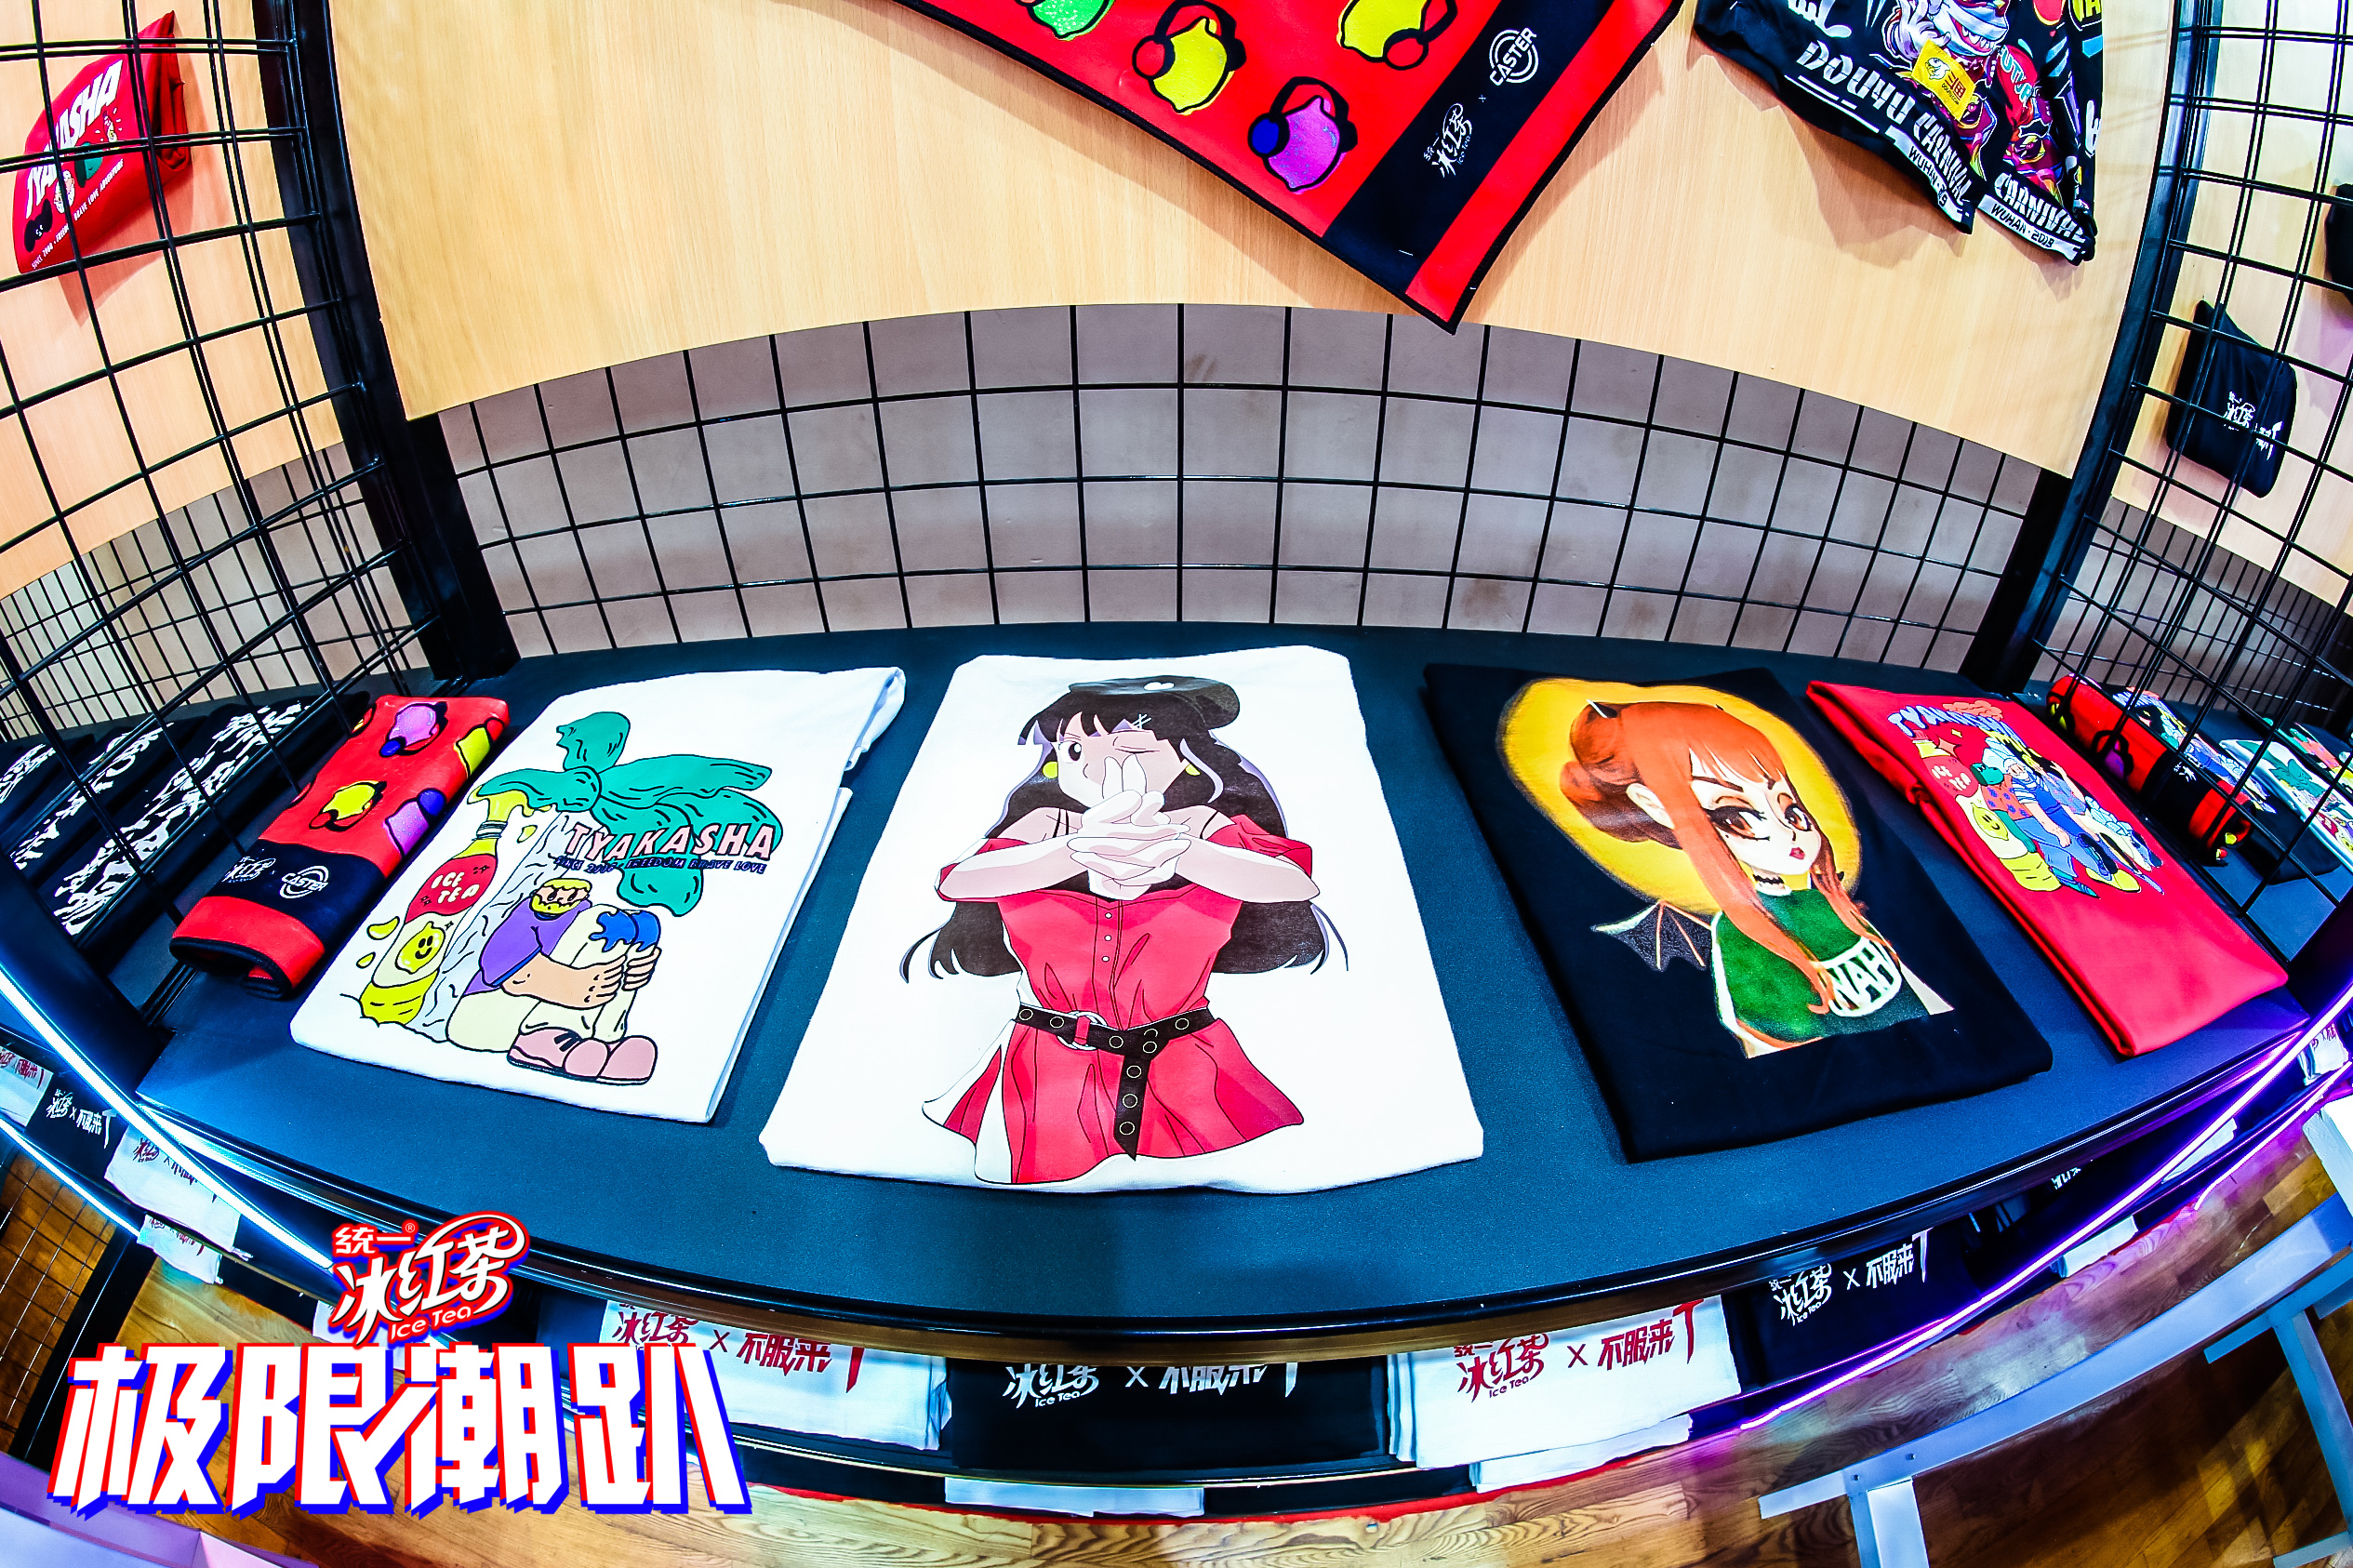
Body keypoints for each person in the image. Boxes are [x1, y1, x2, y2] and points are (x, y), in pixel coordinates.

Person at [911, 675, 1329, 1184]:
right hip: (1043, 1067)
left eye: (1131, 749)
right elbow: (960, 880)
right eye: (1073, 750)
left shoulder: (1204, 824)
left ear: (1186, 758)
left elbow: (1291, 882)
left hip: (1187, 1065)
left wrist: (1176, 849)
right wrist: (1079, 847)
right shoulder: (1046, 824)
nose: (1099, 766)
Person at [1559, 699, 1948, 1056]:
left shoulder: (1827, 901)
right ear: (1655, 806)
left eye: (1790, 811)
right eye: (1738, 817)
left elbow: (1919, 992)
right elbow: (1779, 1050)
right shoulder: (1738, 936)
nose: (1787, 834)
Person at [445, 874, 661, 1083]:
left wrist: (635, 967)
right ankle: (541, 1033)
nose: (560, 899)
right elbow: (497, 963)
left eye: (571, 895)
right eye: (553, 893)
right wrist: (564, 983)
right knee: (605, 921)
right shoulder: (529, 914)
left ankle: (606, 1038)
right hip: (484, 1012)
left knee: (643, 925)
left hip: (532, 1011)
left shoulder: (576, 913)